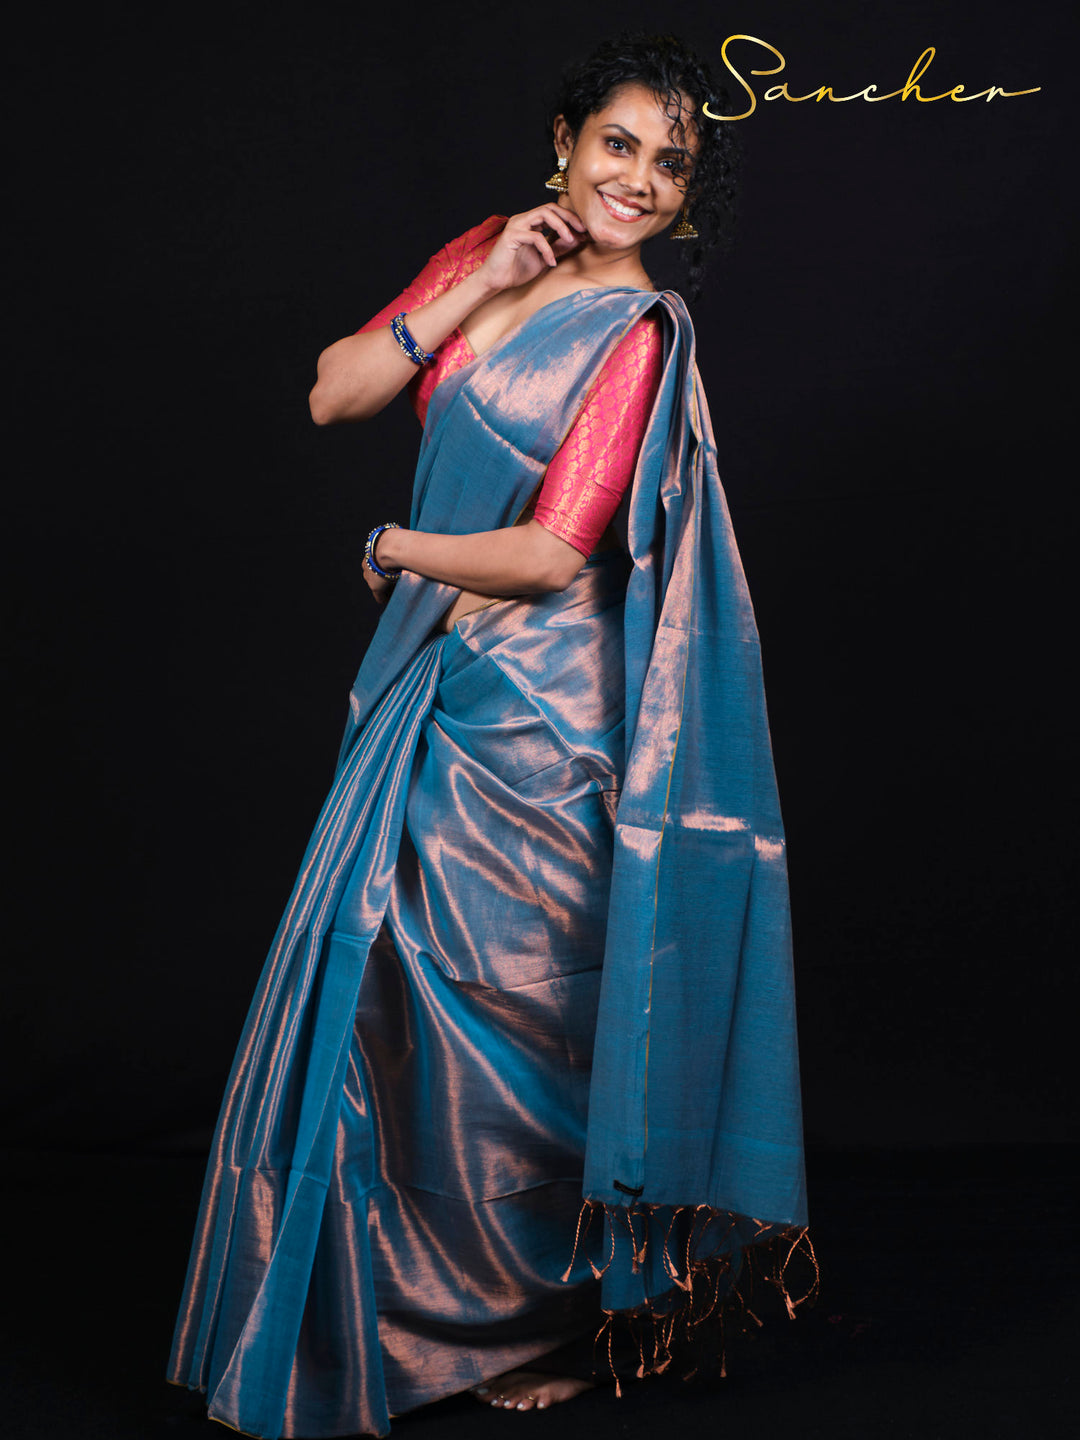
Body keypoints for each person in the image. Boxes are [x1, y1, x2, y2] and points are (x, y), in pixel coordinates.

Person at [167, 33, 815, 1440]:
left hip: (549, 722)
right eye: (620, 145)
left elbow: (550, 550)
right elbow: (337, 389)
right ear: (566, 143)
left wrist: (395, 543)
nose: (638, 179)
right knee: (389, 1010)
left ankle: (561, 1328)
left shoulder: (644, 335)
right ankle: (386, 1321)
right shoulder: (489, 260)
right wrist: (478, 280)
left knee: (509, 1025)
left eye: (670, 162)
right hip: (434, 687)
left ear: (688, 196)